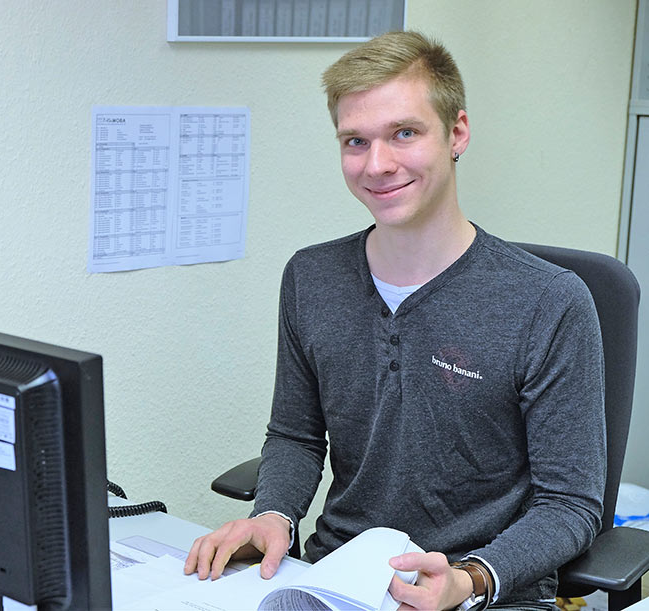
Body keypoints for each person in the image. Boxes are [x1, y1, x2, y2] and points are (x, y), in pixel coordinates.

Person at [183, 30, 606, 611]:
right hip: (339, 579)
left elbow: (570, 505)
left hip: (485, 592)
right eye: (355, 141)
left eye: (404, 133)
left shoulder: (548, 301)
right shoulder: (312, 277)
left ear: (457, 132)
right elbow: (295, 436)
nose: (377, 165)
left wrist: (469, 579)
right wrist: (274, 515)